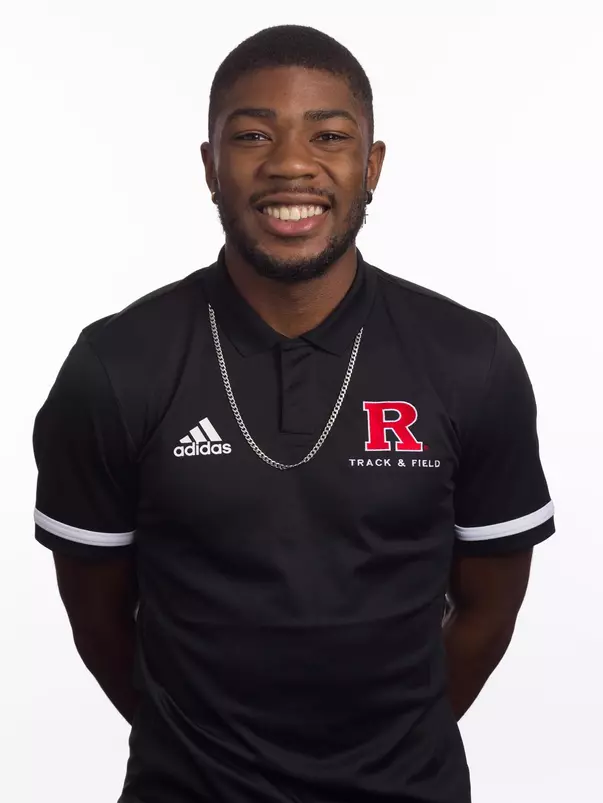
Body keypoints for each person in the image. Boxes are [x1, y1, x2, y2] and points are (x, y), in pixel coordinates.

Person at [32, 24, 555, 803]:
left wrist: (388, 753)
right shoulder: (116, 365)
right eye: (250, 135)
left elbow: (489, 604)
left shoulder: (468, 358)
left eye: (330, 135)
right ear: (210, 166)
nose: (289, 164)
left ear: (370, 165)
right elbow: (97, 615)